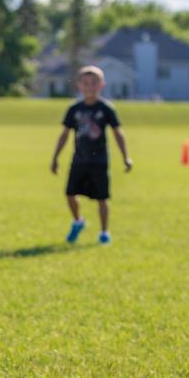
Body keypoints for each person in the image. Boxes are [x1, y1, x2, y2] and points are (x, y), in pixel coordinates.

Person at [50, 65, 132, 244]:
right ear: (79, 85)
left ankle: (104, 232)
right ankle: (78, 221)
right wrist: (55, 157)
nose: (89, 86)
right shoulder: (74, 109)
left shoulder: (106, 108)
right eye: (85, 83)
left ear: (101, 85)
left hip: (99, 161)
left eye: (94, 83)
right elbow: (64, 135)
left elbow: (118, 133)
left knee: (102, 198)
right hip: (79, 159)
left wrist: (126, 156)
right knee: (70, 194)